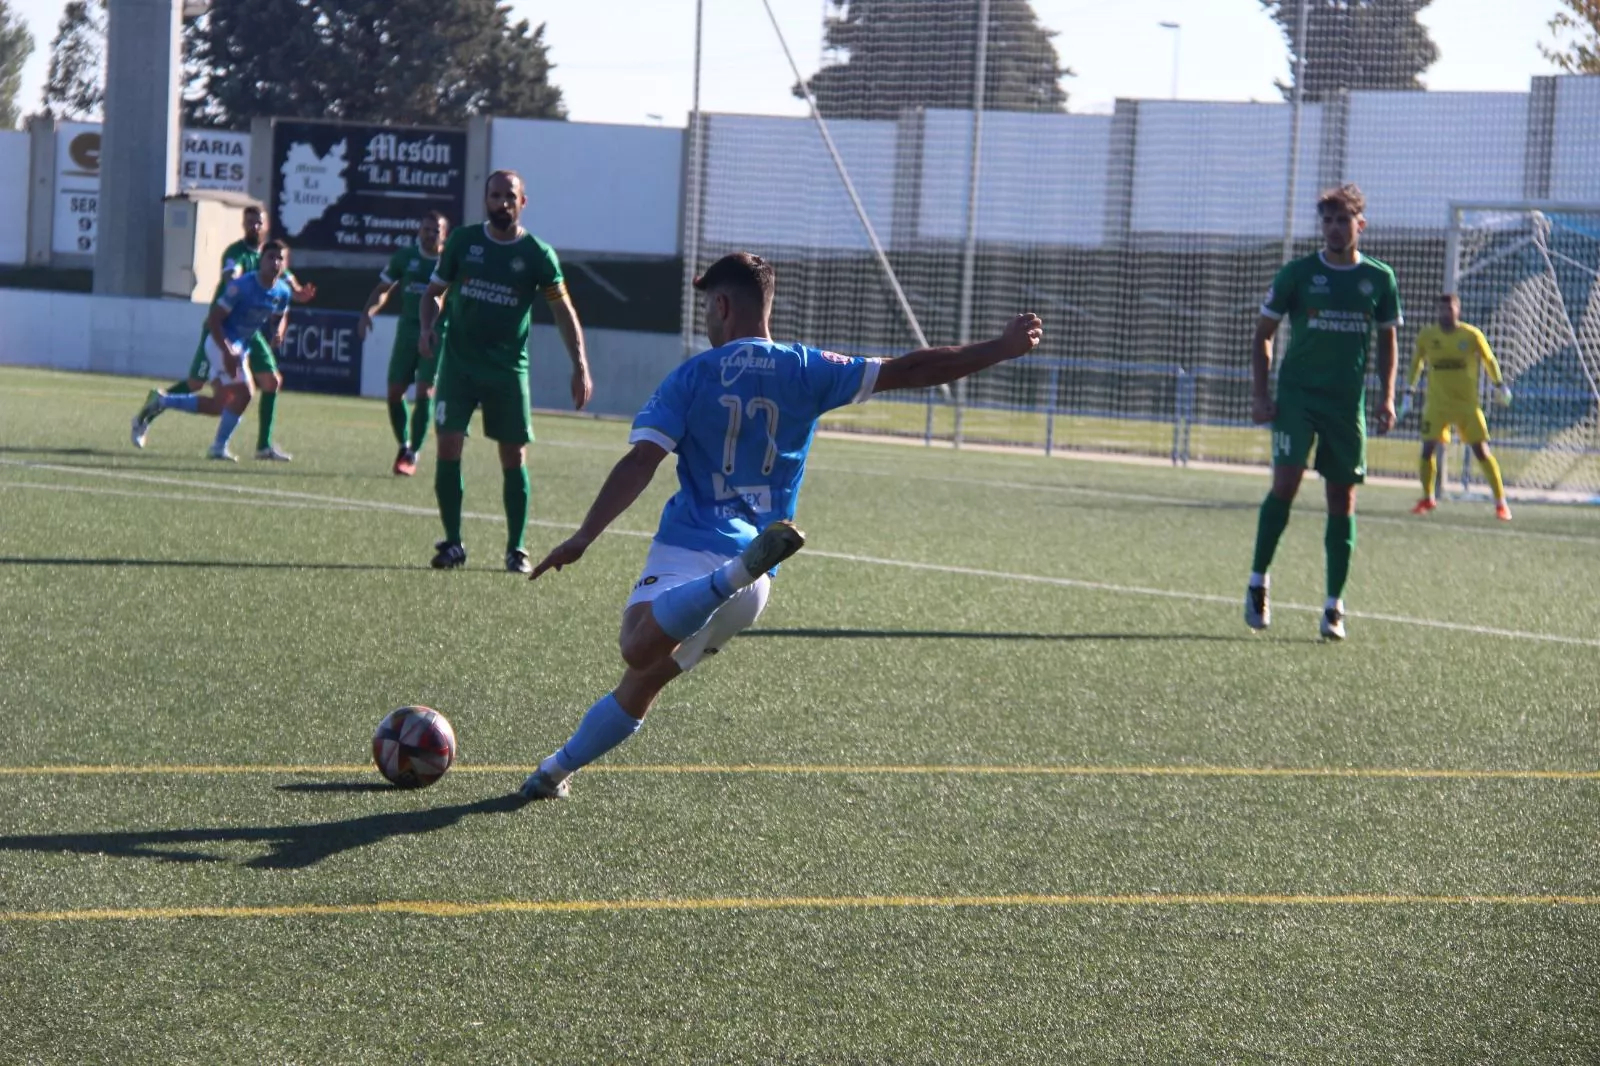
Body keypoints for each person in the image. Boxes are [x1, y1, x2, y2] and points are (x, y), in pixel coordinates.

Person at [516, 251, 1044, 800]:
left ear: (722, 305)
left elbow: (641, 462)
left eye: (707, 309)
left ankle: (729, 576)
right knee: (644, 682)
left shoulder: (694, 375)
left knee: (636, 648)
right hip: (756, 586)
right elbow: (912, 368)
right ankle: (555, 771)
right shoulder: (807, 367)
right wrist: (1000, 349)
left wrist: (583, 536)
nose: (706, 320)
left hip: (695, 550)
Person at [1245, 184, 1401, 642]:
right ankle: (1258, 580)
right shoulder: (1297, 274)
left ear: (1360, 225)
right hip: (1297, 398)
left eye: (1342, 220)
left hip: (1345, 404)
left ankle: (1334, 606)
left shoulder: (1379, 279)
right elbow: (1263, 335)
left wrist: (1387, 396)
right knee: (1286, 484)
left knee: (1343, 500)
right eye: (1328, 220)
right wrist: (1260, 393)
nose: (1334, 228)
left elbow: (1389, 341)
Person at [419, 170, 592, 573]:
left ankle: (516, 548)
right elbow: (433, 294)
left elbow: (563, 311)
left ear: (523, 202)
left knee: (513, 455)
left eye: (510, 196)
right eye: (495, 195)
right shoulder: (463, 241)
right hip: (459, 366)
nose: (502, 203)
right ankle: (453, 543)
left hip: (508, 369)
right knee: (448, 445)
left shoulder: (537, 254)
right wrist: (428, 327)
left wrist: (580, 363)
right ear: (486, 199)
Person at [132, 204, 315, 457]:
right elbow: (232, 274)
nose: (254, 226)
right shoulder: (238, 255)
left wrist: (297, 299)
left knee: (269, 382)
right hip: (221, 330)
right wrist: (239, 284)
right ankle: (154, 411)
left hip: (249, 335)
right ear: (244, 224)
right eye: (249, 221)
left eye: (258, 221)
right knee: (200, 386)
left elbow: (288, 293)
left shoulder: (274, 261)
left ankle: (261, 446)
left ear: (267, 225)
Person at [1402, 293, 1513, 520]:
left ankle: (1501, 502)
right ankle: (1427, 497)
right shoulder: (1427, 336)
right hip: (1437, 404)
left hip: (1467, 406)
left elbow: (1489, 359)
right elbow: (1416, 364)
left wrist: (1500, 384)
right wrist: (1408, 392)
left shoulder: (1471, 335)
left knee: (1481, 451)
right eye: (1441, 310)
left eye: (1449, 310)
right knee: (1427, 449)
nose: (1445, 314)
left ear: (1457, 310)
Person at [359, 211, 450, 477]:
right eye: (427, 229)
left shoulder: (449, 261)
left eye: (436, 230)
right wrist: (366, 313)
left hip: (437, 332)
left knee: (425, 391)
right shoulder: (405, 257)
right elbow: (383, 289)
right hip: (407, 330)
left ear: (444, 234)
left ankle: (413, 453)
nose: (430, 234)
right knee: (395, 391)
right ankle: (404, 444)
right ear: (419, 230)